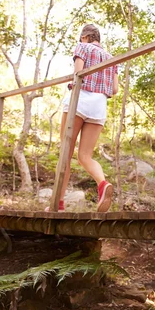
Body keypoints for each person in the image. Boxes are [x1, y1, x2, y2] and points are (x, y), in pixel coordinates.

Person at [49, 24, 118, 212]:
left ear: (85, 37)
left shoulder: (83, 47)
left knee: (66, 153)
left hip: (80, 100)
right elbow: (114, 90)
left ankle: (58, 204)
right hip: (99, 106)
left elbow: (78, 74)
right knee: (85, 156)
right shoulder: (111, 58)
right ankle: (102, 184)